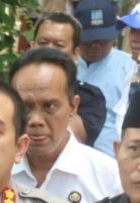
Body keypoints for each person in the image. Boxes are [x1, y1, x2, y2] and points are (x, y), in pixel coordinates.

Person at [10, 48, 121, 203]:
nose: (36, 120)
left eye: (49, 106)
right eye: (25, 107)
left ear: (73, 107)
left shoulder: (109, 179)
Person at [33, 12, 108, 146]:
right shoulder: (12, 91)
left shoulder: (90, 96)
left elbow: (75, 137)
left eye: (59, 45)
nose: (49, 51)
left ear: (75, 54)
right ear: (32, 47)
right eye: (43, 43)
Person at [74, 0, 137, 156]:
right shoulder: (65, 64)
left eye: (103, 41)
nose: (95, 46)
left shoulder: (130, 67)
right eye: (88, 40)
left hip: (110, 160)